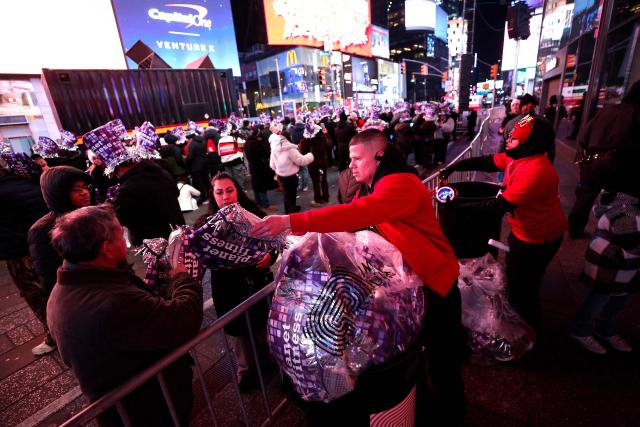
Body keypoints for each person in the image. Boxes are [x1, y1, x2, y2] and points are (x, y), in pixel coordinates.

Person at [253, 129, 466, 425]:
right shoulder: (371, 186)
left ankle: (453, 415)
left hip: (436, 284)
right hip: (416, 288)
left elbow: (356, 214)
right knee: (423, 358)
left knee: (444, 362)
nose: (350, 165)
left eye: (356, 158)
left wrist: (291, 221)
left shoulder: (399, 184)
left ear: (380, 156)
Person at [47, 204, 202, 426]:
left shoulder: (66, 286)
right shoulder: (113, 304)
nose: (125, 235)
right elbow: (185, 318)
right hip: (149, 409)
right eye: (120, 232)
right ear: (107, 248)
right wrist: (182, 277)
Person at [441, 115, 567, 330]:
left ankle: (526, 334)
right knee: (517, 278)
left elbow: (496, 206)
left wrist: (454, 205)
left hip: (538, 239)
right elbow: (488, 161)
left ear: (530, 143)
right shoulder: (517, 158)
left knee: (525, 289)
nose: (507, 140)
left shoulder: (535, 171)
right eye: (508, 135)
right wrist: (454, 167)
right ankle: (516, 319)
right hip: (523, 230)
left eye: (514, 138)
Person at [198, 173, 276, 390]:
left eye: (229, 190)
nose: (225, 196)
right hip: (229, 293)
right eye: (219, 192)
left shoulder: (255, 214)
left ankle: (272, 363)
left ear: (237, 191)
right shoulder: (205, 225)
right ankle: (246, 373)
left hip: (258, 287)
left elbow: (275, 243)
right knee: (240, 339)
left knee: (265, 331)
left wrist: (270, 256)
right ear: (213, 196)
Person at [28, 166, 93, 355]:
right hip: (79, 297)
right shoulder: (42, 230)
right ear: (59, 193)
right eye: (76, 189)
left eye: (84, 187)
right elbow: (48, 276)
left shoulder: (92, 215)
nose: (84, 193)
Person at [567, 80, 640, 238]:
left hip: (592, 162)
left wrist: (581, 158)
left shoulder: (607, 111)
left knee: (584, 199)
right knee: (619, 201)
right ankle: (608, 232)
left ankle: (575, 230)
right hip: (619, 164)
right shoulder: (637, 112)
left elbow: (584, 135)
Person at [569, 191, 639, 354]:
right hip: (613, 262)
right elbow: (628, 240)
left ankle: (605, 329)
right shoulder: (626, 209)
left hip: (629, 263)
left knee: (623, 297)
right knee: (600, 297)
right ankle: (580, 330)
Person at [0, 158, 50, 356]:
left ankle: (54, 334)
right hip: (44, 245)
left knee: (36, 295)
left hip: (20, 254)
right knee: (53, 286)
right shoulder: (26, 182)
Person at [110, 159, 185, 246]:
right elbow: (176, 192)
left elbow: (120, 218)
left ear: (119, 169)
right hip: (178, 230)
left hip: (154, 244)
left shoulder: (127, 189)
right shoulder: (162, 173)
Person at [268, 121, 314, 213]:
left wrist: (278, 170)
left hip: (281, 176)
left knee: (286, 194)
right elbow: (301, 161)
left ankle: (290, 209)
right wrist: (310, 155)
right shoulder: (290, 149)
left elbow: (272, 164)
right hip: (291, 176)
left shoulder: (274, 148)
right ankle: (291, 212)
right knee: (291, 194)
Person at [244, 128, 277, 210]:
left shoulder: (247, 143)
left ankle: (258, 202)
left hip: (252, 166)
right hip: (259, 167)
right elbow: (266, 154)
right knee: (262, 186)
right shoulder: (256, 143)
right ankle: (265, 205)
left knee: (256, 185)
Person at [300, 119, 331, 206]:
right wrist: (326, 134)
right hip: (322, 162)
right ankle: (326, 197)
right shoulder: (322, 138)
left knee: (315, 182)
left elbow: (303, 152)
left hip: (312, 163)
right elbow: (330, 146)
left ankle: (318, 199)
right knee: (323, 180)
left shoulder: (305, 141)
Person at [185, 133, 209, 200]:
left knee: (199, 182)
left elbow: (190, 157)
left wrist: (186, 159)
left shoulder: (192, 144)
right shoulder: (202, 141)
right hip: (205, 164)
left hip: (196, 166)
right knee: (206, 181)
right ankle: (211, 196)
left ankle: (204, 197)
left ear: (190, 139)